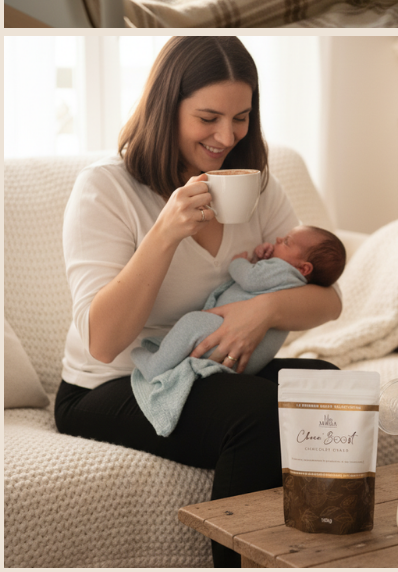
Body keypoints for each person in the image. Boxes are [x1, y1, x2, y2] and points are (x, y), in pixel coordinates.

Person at [54, 37, 343, 568]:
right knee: (257, 413)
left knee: (329, 388)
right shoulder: (105, 189)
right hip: (111, 384)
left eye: (241, 118)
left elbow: (328, 301)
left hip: (205, 369)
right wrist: (164, 234)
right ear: (166, 109)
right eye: (208, 118)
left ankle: (324, 555)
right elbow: (103, 343)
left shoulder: (256, 187)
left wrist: (262, 311)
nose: (227, 137)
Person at [130, 225, 346, 390]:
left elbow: (251, 278)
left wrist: (239, 263)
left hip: (226, 340)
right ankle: (168, 358)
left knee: (191, 323)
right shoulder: (295, 282)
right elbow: (263, 280)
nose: (279, 239)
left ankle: (155, 366)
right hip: (248, 360)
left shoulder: (284, 271)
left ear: (304, 268)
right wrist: (265, 258)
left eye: (287, 242)